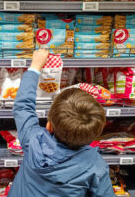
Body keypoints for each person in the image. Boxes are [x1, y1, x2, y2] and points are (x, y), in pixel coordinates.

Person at [8, 49, 115, 197]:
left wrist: (35, 67)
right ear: (96, 135)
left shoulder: (33, 141)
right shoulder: (95, 166)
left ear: (49, 125)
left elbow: (23, 106)